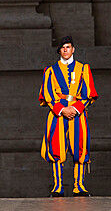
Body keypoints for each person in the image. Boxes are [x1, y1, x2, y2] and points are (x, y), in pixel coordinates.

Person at [39, 36, 98, 197]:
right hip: (57, 114)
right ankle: (58, 187)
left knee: (79, 147)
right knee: (56, 149)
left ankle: (79, 186)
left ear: (73, 49)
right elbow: (47, 95)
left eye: (68, 47)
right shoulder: (50, 71)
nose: (66, 50)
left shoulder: (83, 69)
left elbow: (88, 94)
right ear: (59, 50)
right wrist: (62, 110)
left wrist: (75, 108)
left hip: (77, 113)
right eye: (63, 47)